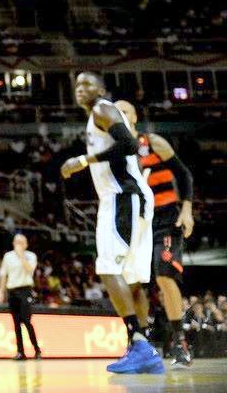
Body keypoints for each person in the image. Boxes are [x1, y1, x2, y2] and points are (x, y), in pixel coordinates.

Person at [61, 72, 163, 374]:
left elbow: (129, 144)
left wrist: (82, 161)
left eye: (87, 84)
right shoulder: (98, 115)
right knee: (131, 279)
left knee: (108, 269)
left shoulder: (103, 109)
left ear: (102, 89)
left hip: (122, 198)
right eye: (77, 85)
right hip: (133, 198)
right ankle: (143, 346)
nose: (81, 89)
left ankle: (138, 342)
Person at [116, 100, 194, 366]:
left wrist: (187, 211)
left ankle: (180, 342)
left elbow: (184, 176)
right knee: (133, 283)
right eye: (115, 112)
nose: (120, 116)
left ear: (135, 116)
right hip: (136, 224)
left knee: (164, 276)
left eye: (124, 111)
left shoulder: (153, 143)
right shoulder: (114, 152)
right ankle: (139, 342)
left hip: (165, 219)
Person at [0, 234, 42, 360]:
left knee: (27, 321)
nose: (19, 244)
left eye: (21, 242)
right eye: (16, 242)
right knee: (16, 323)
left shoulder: (31, 256)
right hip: (12, 291)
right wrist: (1, 291)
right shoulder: (8, 256)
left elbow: (30, 270)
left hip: (25, 290)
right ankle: (20, 352)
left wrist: (21, 255)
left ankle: (36, 350)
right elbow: (3, 274)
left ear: (26, 244)